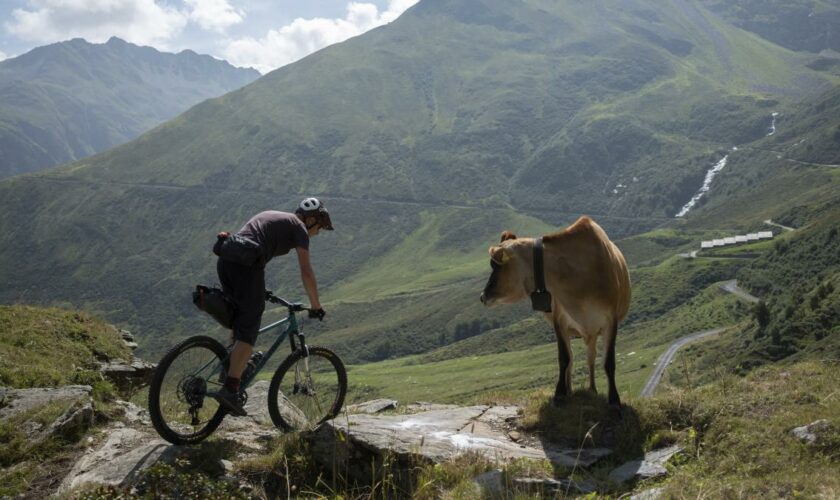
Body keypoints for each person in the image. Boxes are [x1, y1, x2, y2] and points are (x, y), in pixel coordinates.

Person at [208, 197, 333, 416]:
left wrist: (257, 288)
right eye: (320, 226)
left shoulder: (275, 216)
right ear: (311, 219)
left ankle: (230, 368)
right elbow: (306, 270)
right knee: (249, 330)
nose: (318, 232)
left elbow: (252, 243)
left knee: (239, 318)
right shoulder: (300, 229)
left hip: (227, 260)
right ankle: (230, 388)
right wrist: (316, 305)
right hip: (247, 267)